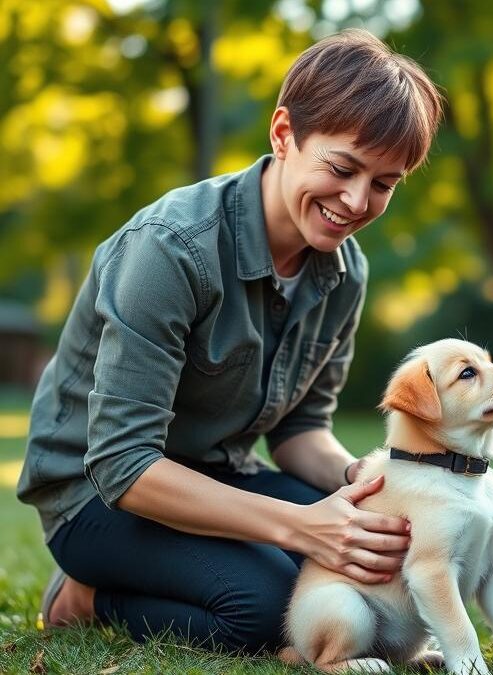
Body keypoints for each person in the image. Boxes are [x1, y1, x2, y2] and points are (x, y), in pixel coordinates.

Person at [16, 28, 443, 653]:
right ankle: (85, 596)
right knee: (269, 609)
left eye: (383, 183)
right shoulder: (171, 249)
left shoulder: (344, 272)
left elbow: (300, 430)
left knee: (372, 562)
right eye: (342, 167)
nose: (356, 201)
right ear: (283, 135)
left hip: (216, 474)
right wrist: (303, 527)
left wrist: (361, 479)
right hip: (97, 495)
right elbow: (123, 464)